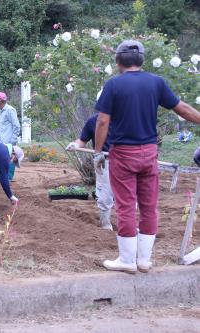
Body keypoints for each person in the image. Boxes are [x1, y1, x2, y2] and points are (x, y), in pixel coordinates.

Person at [93, 40, 200, 273]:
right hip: (149, 153)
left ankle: (127, 261)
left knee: (126, 206)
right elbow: (181, 108)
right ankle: (144, 260)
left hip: (122, 153)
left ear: (118, 60)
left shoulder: (113, 85)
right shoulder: (156, 83)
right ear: (141, 60)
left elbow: (102, 120)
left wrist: (98, 151)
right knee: (149, 206)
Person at [66, 112, 114, 231]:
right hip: (103, 161)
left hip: (125, 160)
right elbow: (82, 140)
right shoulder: (93, 121)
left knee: (128, 195)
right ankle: (105, 225)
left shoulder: (125, 117)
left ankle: (129, 226)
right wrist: (75, 145)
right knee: (104, 194)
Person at [0, 92, 20, 181]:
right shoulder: (0, 110)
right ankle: (1, 175)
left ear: (0, 101)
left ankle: (8, 177)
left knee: (9, 158)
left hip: (9, 139)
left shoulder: (10, 110)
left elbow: (16, 126)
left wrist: (13, 140)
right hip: (1, 139)